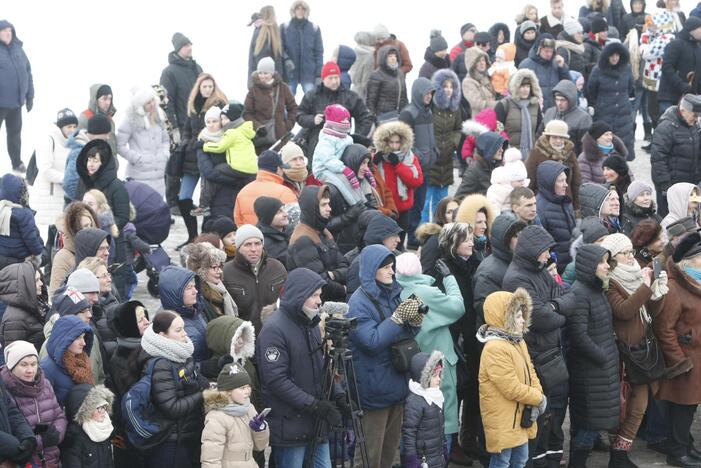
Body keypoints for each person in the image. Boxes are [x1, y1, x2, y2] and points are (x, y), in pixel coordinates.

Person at [502, 225, 573, 468]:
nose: (548, 257)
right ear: (533, 251)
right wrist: (559, 310)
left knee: (551, 414)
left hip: (550, 353)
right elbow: (541, 318)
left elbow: (565, 293)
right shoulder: (516, 278)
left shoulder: (539, 270)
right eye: (545, 251)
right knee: (537, 416)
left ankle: (549, 459)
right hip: (535, 356)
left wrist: (554, 306)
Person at [347, 245, 423, 467]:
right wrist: (398, 318)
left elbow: (404, 336)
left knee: (390, 455)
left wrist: (415, 322)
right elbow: (371, 342)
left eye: (392, 267)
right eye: (387, 268)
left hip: (396, 385)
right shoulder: (358, 303)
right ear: (373, 271)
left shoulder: (392, 294)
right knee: (370, 456)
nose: (392, 272)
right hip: (374, 391)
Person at [257, 267, 337, 467]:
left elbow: (321, 366)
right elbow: (276, 380)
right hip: (290, 423)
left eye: (320, 295)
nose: (319, 301)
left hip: (316, 423)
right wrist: (313, 404)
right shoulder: (274, 330)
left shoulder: (310, 324)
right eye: (314, 296)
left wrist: (339, 394)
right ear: (299, 296)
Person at [602, 233, 668, 466]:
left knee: (639, 405)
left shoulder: (635, 276)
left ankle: (620, 451)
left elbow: (652, 311)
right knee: (621, 406)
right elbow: (624, 311)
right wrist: (646, 286)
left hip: (641, 351)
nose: (631, 257)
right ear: (612, 258)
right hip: (621, 354)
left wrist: (657, 289)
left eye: (631, 251)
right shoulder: (610, 282)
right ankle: (616, 455)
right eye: (625, 253)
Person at [478, 289, 545, 468]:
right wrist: (537, 398)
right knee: (502, 461)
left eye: (523, 315)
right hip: (503, 420)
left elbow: (530, 371)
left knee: (521, 459)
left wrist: (538, 391)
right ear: (503, 317)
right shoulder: (495, 348)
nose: (523, 320)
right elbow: (510, 387)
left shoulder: (517, 341)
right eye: (517, 316)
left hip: (519, 416)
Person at [566, 243, 621, 467]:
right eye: (602, 262)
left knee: (588, 424)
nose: (607, 266)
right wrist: (602, 357)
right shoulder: (580, 293)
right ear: (590, 265)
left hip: (600, 370)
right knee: (589, 426)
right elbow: (578, 335)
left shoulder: (596, 289)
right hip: (591, 372)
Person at [653, 232, 701, 466]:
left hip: (695, 359)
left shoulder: (696, 283)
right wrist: (679, 361)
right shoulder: (674, 288)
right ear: (689, 262)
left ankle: (686, 444)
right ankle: (677, 451)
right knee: (681, 408)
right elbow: (664, 329)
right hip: (684, 362)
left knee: (689, 407)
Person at [139, 311, 208, 468]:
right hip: (170, 442)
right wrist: (202, 395)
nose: (185, 334)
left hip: (185, 435)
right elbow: (171, 407)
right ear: (162, 335)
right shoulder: (161, 364)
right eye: (178, 330)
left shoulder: (180, 354)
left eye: (183, 328)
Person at [1, 341, 67, 468]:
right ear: (12, 366)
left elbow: (59, 416)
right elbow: (10, 429)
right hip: (25, 462)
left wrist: (57, 434)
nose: (30, 370)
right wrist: (41, 441)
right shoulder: (6, 389)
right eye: (23, 365)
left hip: (52, 460)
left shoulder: (45, 384)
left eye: (33, 364)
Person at [296, 61, 373, 159]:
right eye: (330, 78)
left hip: (342, 146)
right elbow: (299, 115)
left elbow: (366, 117)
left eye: (336, 77)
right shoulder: (312, 96)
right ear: (323, 79)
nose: (334, 81)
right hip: (316, 145)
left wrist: (356, 137)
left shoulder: (350, 96)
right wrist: (312, 120)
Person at [287, 186, 348, 301]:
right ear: (312, 208)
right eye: (324, 205)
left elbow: (345, 266)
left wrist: (332, 274)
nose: (329, 209)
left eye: (328, 204)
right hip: (316, 303)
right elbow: (319, 282)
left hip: (332, 300)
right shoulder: (303, 239)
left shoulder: (324, 232)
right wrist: (344, 290)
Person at [201, 363, 269, 467]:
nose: (248, 391)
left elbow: (260, 446)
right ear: (228, 391)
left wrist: (260, 430)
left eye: (248, 386)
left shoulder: (249, 408)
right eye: (242, 388)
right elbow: (211, 460)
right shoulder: (217, 417)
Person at [223, 225, 287, 334]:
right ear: (238, 247)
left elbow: (287, 301)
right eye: (247, 244)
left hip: (275, 334)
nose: (253, 249)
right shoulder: (226, 272)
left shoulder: (277, 267)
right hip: (244, 338)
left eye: (257, 243)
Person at [399, 77, 438, 247]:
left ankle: (414, 238)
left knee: (420, 204)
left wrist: (434, 151)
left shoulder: (428, 112)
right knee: (411, 205)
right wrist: (418, 156)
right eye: (426, 93)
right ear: (418, 93)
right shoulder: (408, 113)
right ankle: (411, 238)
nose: (429, 96)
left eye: (431, 93)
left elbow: (430, 137)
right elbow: (403, 141)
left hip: (426, 167)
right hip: (413, 167)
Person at [651, 94, 701, 217]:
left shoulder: (694, 127)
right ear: (683, 111)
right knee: (670, 222)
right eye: (695, 115)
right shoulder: (666, 127)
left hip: (691, 187)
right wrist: (665, 186)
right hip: (671, 187)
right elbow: (658, 159)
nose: (696, 119)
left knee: (691, 220)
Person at [473, 214, 528, 326]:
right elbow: (488, 311)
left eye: (522, 234)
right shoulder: (487, 273)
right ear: (505, 240)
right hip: (503, 336)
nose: (521, 240)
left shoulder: (521, 261)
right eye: (516, 236)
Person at [117, 86, 171, 198]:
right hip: (139, 175)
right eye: (148, 103)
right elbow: (119, 145)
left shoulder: (159, 115)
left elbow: (166, 139)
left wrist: (165, 154)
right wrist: (136, 158)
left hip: (159, 175)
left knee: (158, 208)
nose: (152, 104)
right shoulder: (130, 119)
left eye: (152, 100)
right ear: (140, 106)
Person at [372, 121, 424, 236]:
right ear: (385, 142)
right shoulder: (378, 157)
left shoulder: (410, 157)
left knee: (399, 242)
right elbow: (369, 179)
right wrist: (373, 163)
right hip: (385, 208)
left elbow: (417, 181)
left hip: (403, 209)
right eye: (391, 142)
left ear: (403, 142)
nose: (394, 146)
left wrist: (398, 165)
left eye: (397, 142)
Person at [587, 42, 636, 160]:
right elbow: (591, 90)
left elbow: (630, 88)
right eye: (612, 55)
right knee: (604, 147)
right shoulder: (597, 70)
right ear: (606, 56)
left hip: (623, 113)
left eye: (617, 55)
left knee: (623, 147)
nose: (615, 58)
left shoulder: (627, 69)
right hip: (604, 113)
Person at [425, 69, 462, 223]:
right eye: (445, 86)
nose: (448, 89)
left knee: (443, 202)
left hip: (446, 160)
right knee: (426, 201)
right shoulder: (431, 107)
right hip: (431, 159)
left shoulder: (455, 109)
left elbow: (458, 129)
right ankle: (422, 231)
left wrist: (453, 143)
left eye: (451, 86)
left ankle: (440, 230)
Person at [400, 351, 448, 468]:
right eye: (435, 376)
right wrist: (411, 458)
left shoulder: (436, 396)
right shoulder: (415, 401)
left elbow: (440, 428)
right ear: (423, 377)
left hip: (436, 456)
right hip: (423, 460)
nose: (439, 379)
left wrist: (444, 447)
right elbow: (409, 432)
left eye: (439, 374)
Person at [243, 57, 298, 155]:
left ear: (272, 73)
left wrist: (287, 125)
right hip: (261, 139)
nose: (262, 76)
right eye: (260, 73)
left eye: (265, 73)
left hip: (280, 137)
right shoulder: (253, 91)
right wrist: (258, 127)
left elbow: (293, 108)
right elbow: (246, 113)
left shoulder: (283, 88)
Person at [33, 109, 78, 226]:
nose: (72, 130)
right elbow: (45, 169)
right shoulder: (49, 140)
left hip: (64, 196)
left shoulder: (73, 143)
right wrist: (66, 178)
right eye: (69, 126)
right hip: (47, 196)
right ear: (61, 126)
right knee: (47, 232)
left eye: (74, 126)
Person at [158, 266, 209, 364]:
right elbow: (177, 367)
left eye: (195, 286)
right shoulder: (167, 322)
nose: (195, 291)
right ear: (175, 293)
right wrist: (207, 367)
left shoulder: (194, 309)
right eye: (189, 288)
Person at [0, 20, 33, 172]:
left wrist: (30, 96)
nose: (8, 33)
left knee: (14, 135)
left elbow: (27, 72)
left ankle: (16, 163)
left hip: (15, 103)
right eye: (4, 30)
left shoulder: (18, 49)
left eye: (10, 30)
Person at [39, 315, 93, 406]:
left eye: (83, 337)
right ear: (64, 340)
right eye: (78, 338)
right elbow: (46, 408)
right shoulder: (47, 368)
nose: (83, 343)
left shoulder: (82, 361)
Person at [526, 119, 581, 209]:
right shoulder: (536, 154)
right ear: (548, 138)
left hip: (566, 202)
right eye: (555, 137)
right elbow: (530, 180)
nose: (558, 141)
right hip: (543, 203)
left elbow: (576, 182)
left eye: (561, 138)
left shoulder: (570, 154)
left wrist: (577, 208)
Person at [234, 150, 297, 226]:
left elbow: (238, 223)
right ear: (278, 169)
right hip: (277, 237)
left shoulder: (242, 192)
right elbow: (294, 220)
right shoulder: (285, 192)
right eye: (282, 168)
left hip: (252, 236)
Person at [49, 202, 99, 295]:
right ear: (75, 229)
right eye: (85, 226)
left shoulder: (96, 250)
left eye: (91, 225)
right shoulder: (63, 257)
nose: (90, 229)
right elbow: (55, 294)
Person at [536, 161, 576, 272]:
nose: (566, 184)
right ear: (549, 183)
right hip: (556, 271)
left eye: (565, 180)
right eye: (561, 181)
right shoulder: (540, 209)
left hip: (570, 266)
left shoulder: (565, 202)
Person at [61, 384, 114, 468]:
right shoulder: (75, 436)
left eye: (104, 406)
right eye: (99, 407)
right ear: (86, 411)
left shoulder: (105, 428)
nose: (103, 411)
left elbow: (109, 462)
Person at [160, 32, 202, 134]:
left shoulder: (197, 68)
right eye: (186, 46)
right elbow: (166, 103)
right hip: (184, 128)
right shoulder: (169, 73)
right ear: (178, 49)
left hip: (204, 125)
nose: (190, 48)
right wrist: (174, 129)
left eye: (190, 45)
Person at [183, 242, 238, 322]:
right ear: (201, 271)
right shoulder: (198, 297)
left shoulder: (221, 289)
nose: (219, 271)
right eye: (214, 267)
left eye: (220, 266)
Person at [495, 69, 543, 159]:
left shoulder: (535, 105)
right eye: (522, 86)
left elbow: (539, 131)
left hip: (531, 156)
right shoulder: (504, 104)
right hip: (508, 156)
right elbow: (496, 131)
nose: (525, 89)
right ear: (515, 87)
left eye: (528, 86)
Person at [0, 261, 47, 351]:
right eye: (36, 280)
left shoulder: (33, 306)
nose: (41, 283)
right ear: (25, 285)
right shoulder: (14, 319)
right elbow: (15, 357)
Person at [0, 173, 43, 271]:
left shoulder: (1, 209)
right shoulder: (24, 214)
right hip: (21, 259)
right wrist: (38, 255)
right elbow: (31, 239)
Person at [658, 16, 701, 111]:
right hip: (669, 96)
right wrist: (681, 85)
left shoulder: (698, 47)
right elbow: (666, 67)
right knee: (669, 124)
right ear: (691, 29)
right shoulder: (676, 44)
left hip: (689, 98)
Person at [280, 1, 324, 95]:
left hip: (309, 73)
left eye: (303, 9)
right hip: (290, 73)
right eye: (297, 8)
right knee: (287, 102)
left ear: (306, 11)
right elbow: (279, 48)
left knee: (312, 101)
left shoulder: (314, 28)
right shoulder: (285, 27)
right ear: (293, 10)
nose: (300, 11)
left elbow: (319, 52)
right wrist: (286, 59)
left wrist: (319, 74)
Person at [519, 35, 571, 110]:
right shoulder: (526, 65)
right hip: (534, 109)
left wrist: (562, 68)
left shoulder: (557, 63)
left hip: (555, 110)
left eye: (551, 51)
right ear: (539, 49)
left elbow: (568, 86)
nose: (549, 54)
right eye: (546, 51)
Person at [455, 131, 508, 199]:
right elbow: (459, 198)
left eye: (502, 147)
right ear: (489, 148)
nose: (502, 150)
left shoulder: (498, 166)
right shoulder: (474, 171)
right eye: (498, 147)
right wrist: (481, 204)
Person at [416, 196, 459, 274]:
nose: (454, 215)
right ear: (442, 216)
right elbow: (426, 271)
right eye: (449, 212)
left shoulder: (463, 235)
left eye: (457, 211)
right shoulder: (436, 240)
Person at [365, 45, 408, 120]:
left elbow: (404, 97)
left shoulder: (400, 74)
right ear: (383, 58)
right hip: (383, 116)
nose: (393, 58)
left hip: (399, 115)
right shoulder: (376, 75)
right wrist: (372, 118)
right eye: (390, 56)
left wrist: (406, 112)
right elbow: (371, 100)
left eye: (395, 56)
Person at [248, 6, 286, 83]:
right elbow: (272, 59)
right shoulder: (266, 32)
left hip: (262, 78)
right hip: (265, 79)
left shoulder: (265, 31)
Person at [486, 148, 530, 212]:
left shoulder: (519, 188)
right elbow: (494, 207)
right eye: (519, 181)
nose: (522, 183)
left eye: (523, 180)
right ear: (509, 179)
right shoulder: (498, 189)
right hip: (503, 215)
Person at [254, 196, 291, 266]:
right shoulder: (264, 243)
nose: (286, 214)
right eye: (279, 212)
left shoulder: (290, 231)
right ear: (268, 217)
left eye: (284, 209)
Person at [462, 47, 497, 115]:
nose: (482, 63)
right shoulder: (468, 82)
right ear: (472, 64)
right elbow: (478, 103)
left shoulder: (487, 77)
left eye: (483, 60)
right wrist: (499, 104)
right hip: (480, 120)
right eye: (478, 61)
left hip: (493, 116)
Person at [349, 30, 378, 99]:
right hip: (364, 94)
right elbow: (366, 81)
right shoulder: (370, 55)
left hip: (354, 90)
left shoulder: (355, 51)